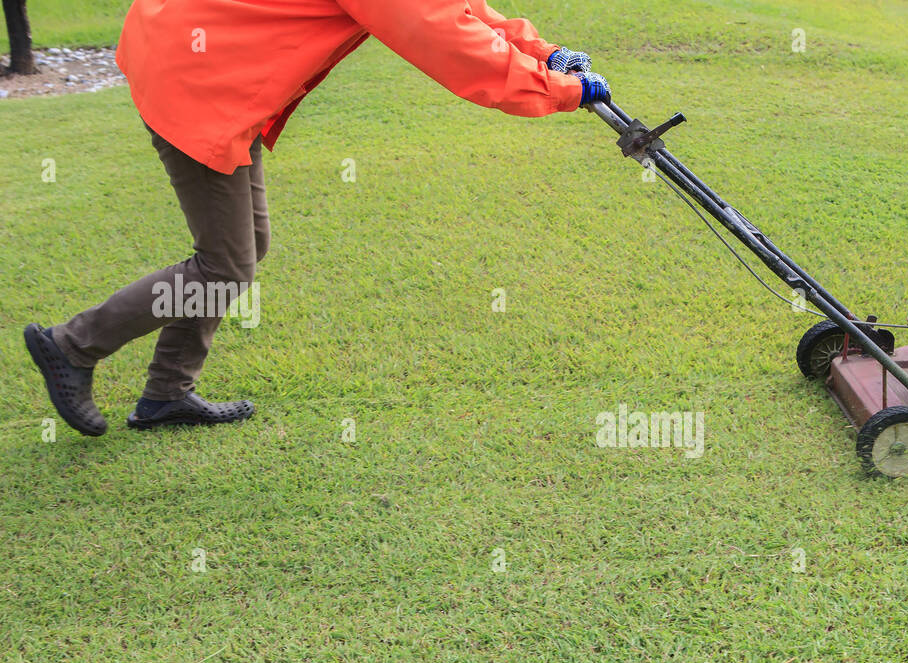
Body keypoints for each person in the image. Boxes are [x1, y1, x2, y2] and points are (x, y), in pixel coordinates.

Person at [24, 0, 609, 436]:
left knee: (246, 245)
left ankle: (166, 395)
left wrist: (542, 52)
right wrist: (561, 90)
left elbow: (456, 9)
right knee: (226, 266)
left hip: (210, 65)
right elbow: (448, 44)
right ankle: (72, 346)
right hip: (198, 78)